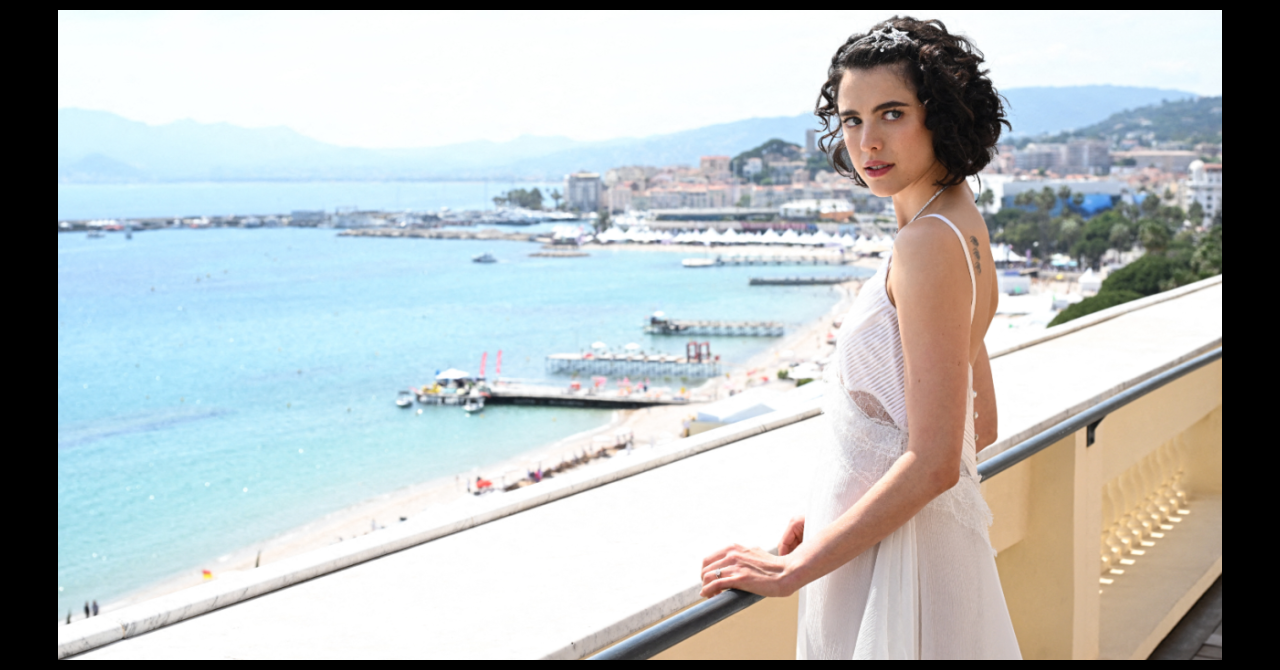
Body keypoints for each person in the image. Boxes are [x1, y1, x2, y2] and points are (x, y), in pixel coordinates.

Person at [700, 17, 1020, 659]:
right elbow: (977, 428)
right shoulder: (961, 223)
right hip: (905, 551)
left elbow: (934, 462)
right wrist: (834, 511)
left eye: (892, 113)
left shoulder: (927, 243)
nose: (866, 141)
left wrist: (796, 566)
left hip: (897, 569)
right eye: (851, 119)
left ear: (942, 116)